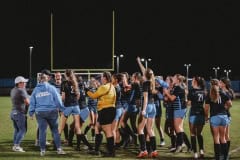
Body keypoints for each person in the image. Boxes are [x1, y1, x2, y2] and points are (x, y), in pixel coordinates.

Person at [29, 71, 66, 156]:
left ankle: (42, 150)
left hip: (40, 112)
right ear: (47, 79)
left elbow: (32, 102)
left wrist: (31, 113)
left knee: (42, 131)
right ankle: (59, 149)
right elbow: (58, 99)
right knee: (55, 131)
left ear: (40, 79)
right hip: (52, 112)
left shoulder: (36, 89)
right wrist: (62, 109)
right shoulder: (51, 88)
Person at [86, 71, 116, 157]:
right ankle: (96, 150)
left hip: (106, 110)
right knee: (97, 128)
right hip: (109, 109)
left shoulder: (104, 87)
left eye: (102, 77)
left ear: (105, 78)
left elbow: (94, 96)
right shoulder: (111, 86)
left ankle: (111, 152)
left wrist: (87, 91)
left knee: (108, 131)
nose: (101, 79)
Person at [204, 79, 232, 160]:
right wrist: (225, 108)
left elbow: (206, 108)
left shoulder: (209, 94)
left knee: (216, 138)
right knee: (223, 138)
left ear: (211, 84)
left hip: (214, 117)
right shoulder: (223, 92)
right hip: (224, 117)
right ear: (218, 84)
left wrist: (206, 117)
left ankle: (217, 157)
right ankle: (225, 157)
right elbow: (230, 104)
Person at [187, 76, 206, 159]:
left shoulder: (191, 91)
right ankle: (201, 150)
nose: (191, 81)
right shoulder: (204, 91)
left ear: (196, 82)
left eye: (193, 80)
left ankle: (195, 153)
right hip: (201, 113)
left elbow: (189, 103)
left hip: (193, 113)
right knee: (199, 133)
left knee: (193, 133)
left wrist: (186, 101)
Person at [10, 76, 30, 152]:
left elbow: (25, 98)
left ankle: (15, 145)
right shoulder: (21, 90)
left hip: (13, 113)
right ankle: (17, 146)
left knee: (17, 129)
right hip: (20, 113)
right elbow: (28, 102)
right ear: (19, 83)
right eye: (24, 82)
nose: (25, 83)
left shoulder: (13, 90)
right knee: (23, 130)